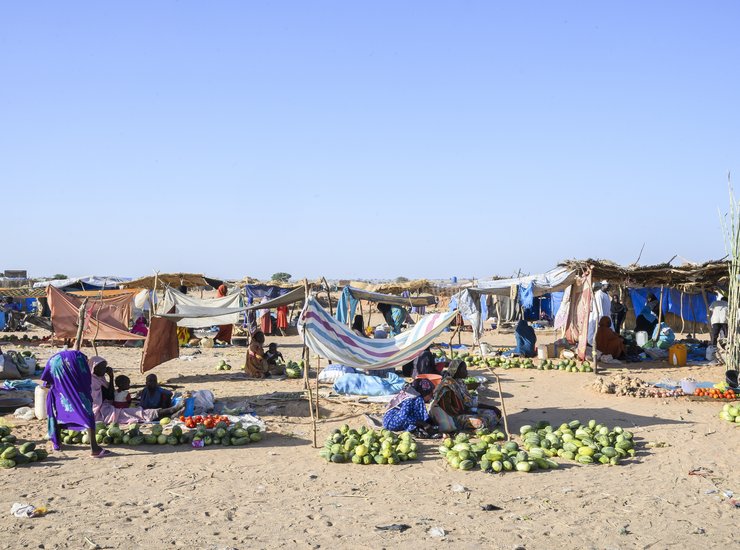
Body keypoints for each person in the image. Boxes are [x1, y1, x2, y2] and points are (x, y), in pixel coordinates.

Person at [41, 350, 108, 457]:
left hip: (58, 393)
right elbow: (85, 380)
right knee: (87, 415)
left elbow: (47, 381)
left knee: (59, 415)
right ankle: (95, 449)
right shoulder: (78, 359)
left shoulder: (54, 359)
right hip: (76, 392)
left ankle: (57, 443)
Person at [89, 356, 181, 424]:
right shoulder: (92, 381)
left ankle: (168, 413)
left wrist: (111, 377)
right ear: (94, 368)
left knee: (135, 412)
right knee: (135, 413)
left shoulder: (101, 379)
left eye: (105, 367)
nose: (105, 369)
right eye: (102, 367)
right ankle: (170, 411)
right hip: (101, 413)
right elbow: (107, 397)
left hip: (109, 407)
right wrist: (112, 378)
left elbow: (111, 395)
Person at [429, 359, 500, 433]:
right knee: (480, 422)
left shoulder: (460, 382)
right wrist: (466, 412)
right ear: (457, 371)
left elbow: (469, 402)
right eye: (464, 369)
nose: (467, 371)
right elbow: (447, 408)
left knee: (492, 413)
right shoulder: (447, 386)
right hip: (452, 417)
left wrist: (492, 407)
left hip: (465, 410)